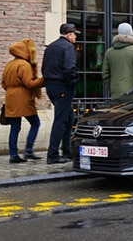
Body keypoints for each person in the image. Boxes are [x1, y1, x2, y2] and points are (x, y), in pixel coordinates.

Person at [2, 38, 45, 163]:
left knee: (15, 127)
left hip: (10, 98)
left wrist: (12, 91)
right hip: (24, 99)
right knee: (35, 123)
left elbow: (3, 83)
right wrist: (44, 80)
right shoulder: (24, 65)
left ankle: (13, 155)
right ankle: (28, 150)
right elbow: (30, 83)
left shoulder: (9, 64)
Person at [42, 23, 80, 164]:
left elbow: (44, 68)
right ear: (69, 34)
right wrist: (73, 82)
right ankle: (52, 154)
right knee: (60, 120)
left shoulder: (51, 47)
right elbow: (70, 68)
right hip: (63, 87)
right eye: (74, 34)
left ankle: (67, 150)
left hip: (51, 87)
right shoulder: (68, 47)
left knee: (69, 117)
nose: (75, 37)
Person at [102, 23, 133, 100]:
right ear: (131, 33)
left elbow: (105, 74)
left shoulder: (109, 52)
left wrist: (112, 87)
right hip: (132, 93)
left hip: (115, 92)